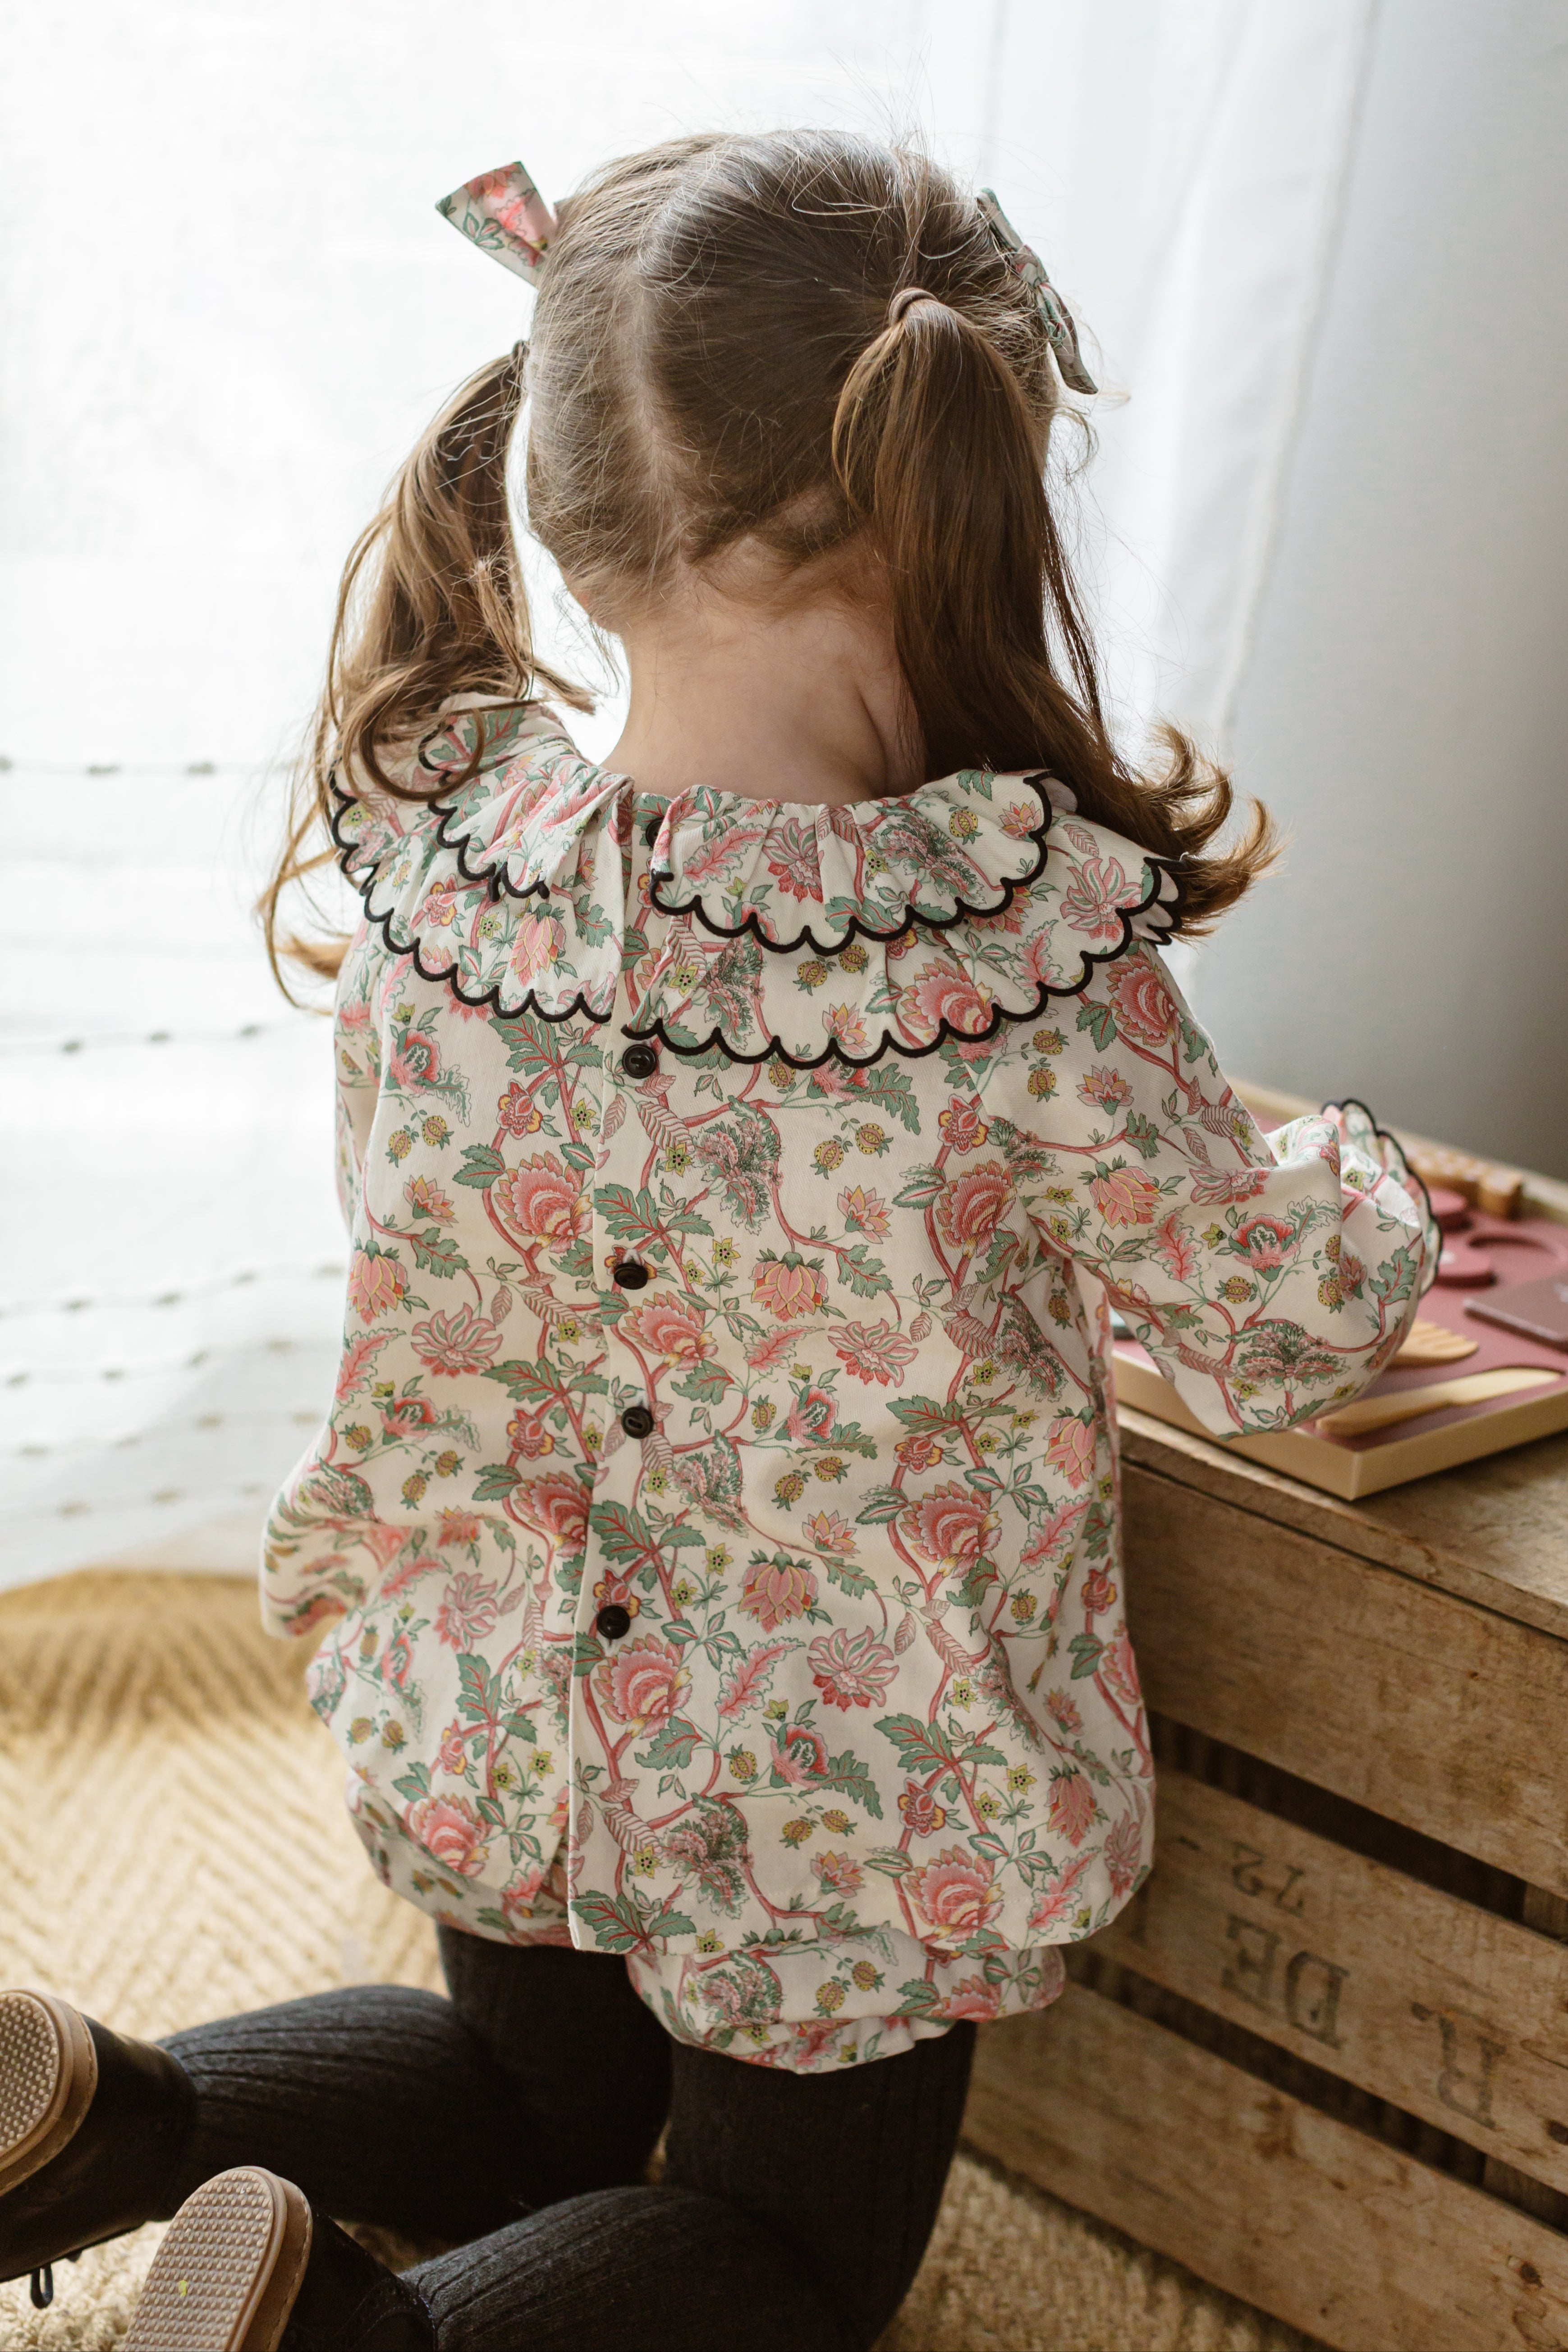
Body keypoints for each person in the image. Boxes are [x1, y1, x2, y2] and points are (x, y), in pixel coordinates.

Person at [0, 129, 1435, 2352]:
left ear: (579, 509)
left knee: (521, 2096)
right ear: (967, 497)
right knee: (784, 2257)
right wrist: (1364, 1178)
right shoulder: (1012, 958)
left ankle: (107, 2121)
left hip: (500, 1685)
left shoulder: (447, 856)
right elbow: (1276, 1331)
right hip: (832, 1791)